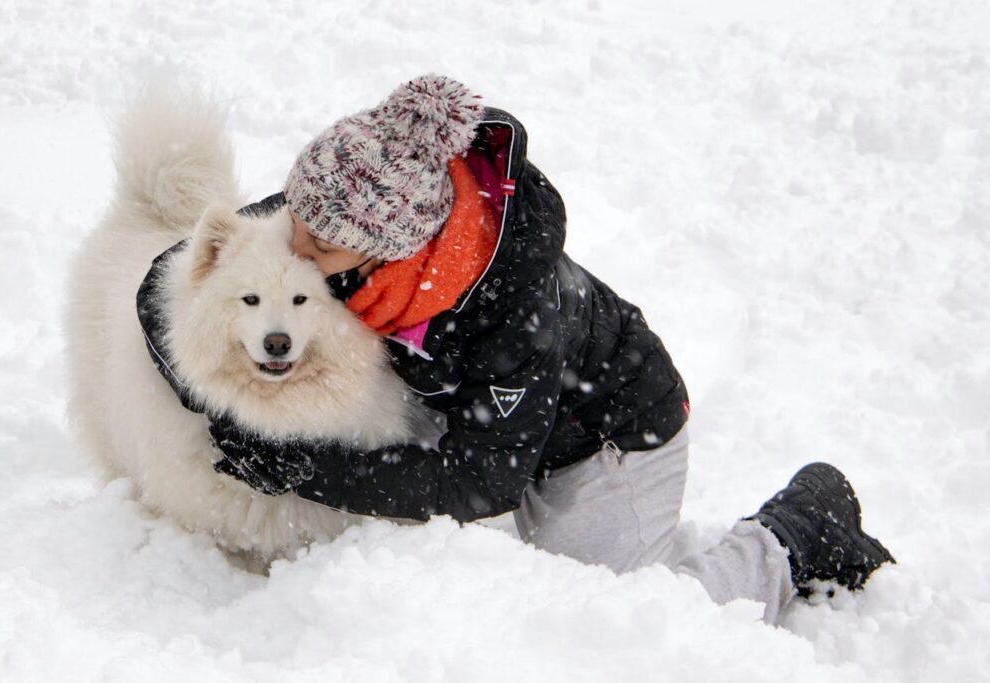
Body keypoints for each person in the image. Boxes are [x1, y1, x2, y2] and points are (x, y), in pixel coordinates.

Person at [141, 74, 893, 622]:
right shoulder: (332, 217)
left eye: (317, 240)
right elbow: (162, 286)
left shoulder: (508, 309)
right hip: (476, 421)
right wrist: (205, 385)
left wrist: (311, 468)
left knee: (608, 615)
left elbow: (478, 486)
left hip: (606, 435)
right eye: (295, 217)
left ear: (385, 251)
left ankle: (793, 536)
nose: (291, 246)